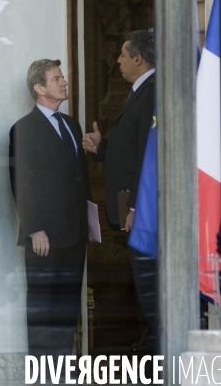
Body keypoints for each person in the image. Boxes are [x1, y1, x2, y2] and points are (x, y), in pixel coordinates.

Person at [9, 59, 92, 360]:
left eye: (62, 77)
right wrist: (34, 228)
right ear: (40, 88)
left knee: (68, 304)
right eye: (57, 78)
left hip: (75, 233)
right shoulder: (23, 129)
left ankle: (63, 370)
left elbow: (76, 177)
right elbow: (21, 182)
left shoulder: (72, 124)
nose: (64, 82)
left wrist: (90, 223)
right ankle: (43, 373)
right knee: (44, 305)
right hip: (44, 235)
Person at [82, 30, 158, 359]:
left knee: (156, 306)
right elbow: (130, 151)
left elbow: (149, 156)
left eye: (123, 55)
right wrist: (102, 148)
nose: (117, 60)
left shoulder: (153, 92)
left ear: (138, 59)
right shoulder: (141, 92)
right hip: (137, 214)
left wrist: (137, 208)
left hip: (145, 217)